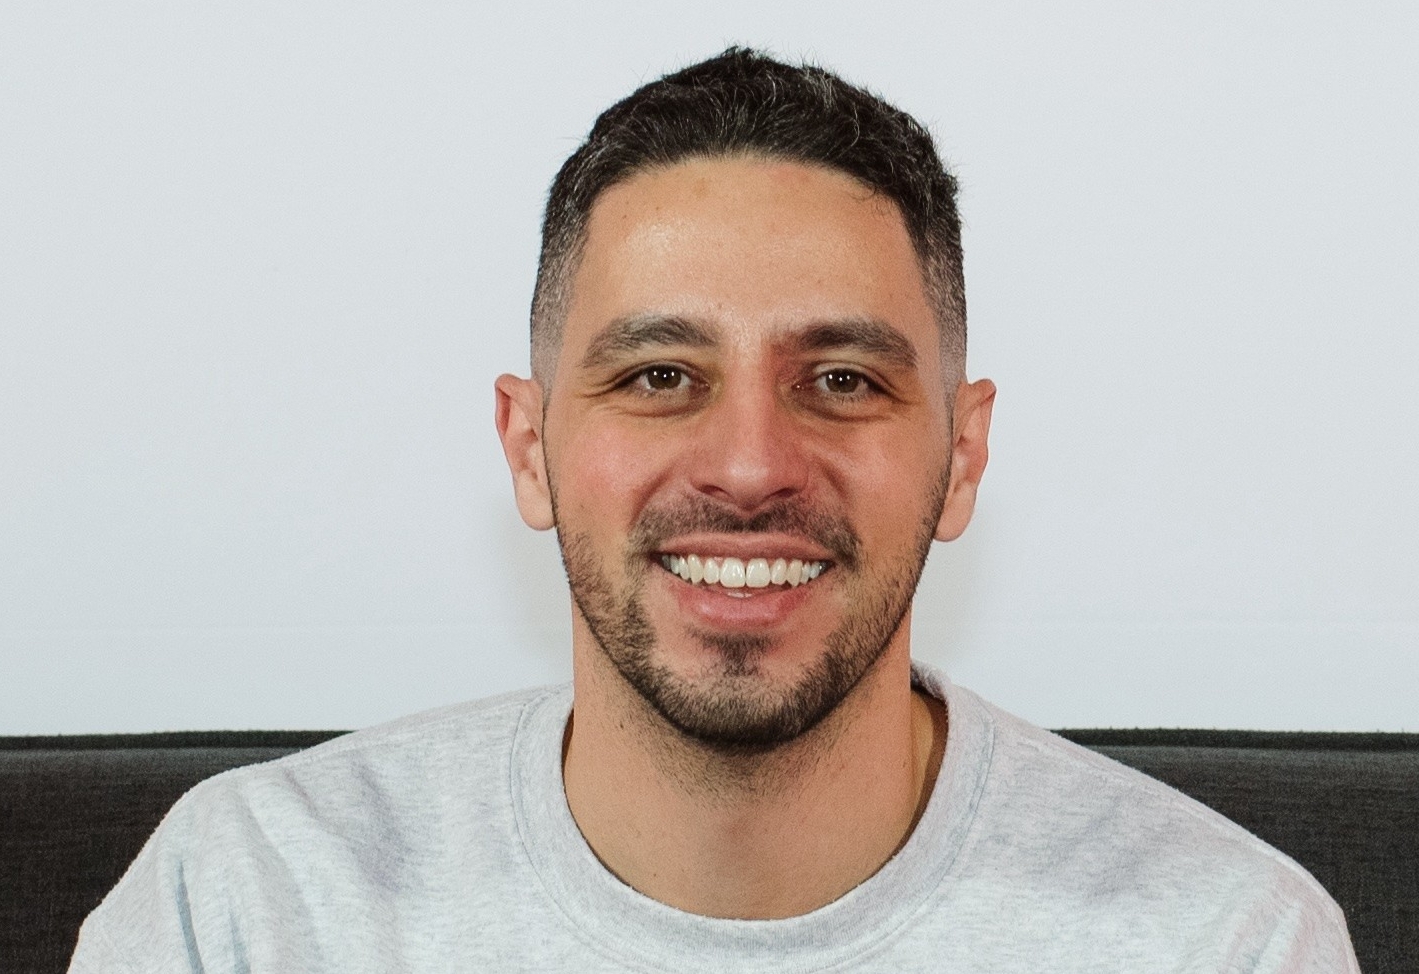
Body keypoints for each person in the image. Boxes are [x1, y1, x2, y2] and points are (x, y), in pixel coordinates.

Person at [69, 48, 1358, 972]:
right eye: (660, 377)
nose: (749, 467)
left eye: (842, 380)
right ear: (529, 447)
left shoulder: (1223, 940)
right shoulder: (247, 908)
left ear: (963, 459)